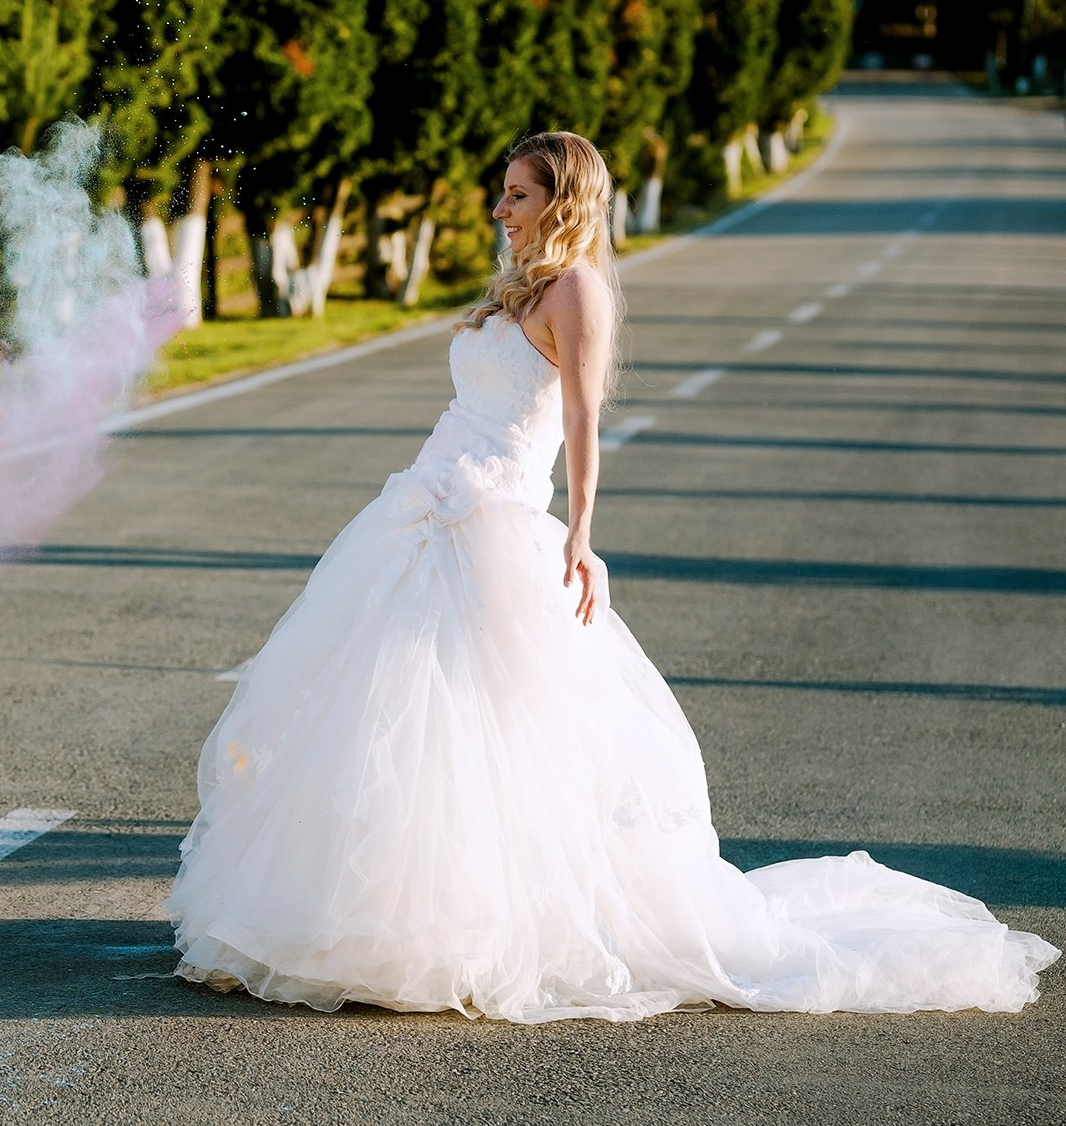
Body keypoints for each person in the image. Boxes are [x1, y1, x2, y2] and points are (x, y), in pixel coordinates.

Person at [165, 131, 1059, 1021]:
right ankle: (350, 912)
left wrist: (582, 534)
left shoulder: (579, 290)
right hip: (421, 509)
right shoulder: (515, 285)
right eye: (503, 190)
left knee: (472, 730)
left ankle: (461, 925)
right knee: (384, 718)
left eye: (517, 194)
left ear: (562, 201)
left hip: (497, 525)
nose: (500, 208)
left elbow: (583, 419)